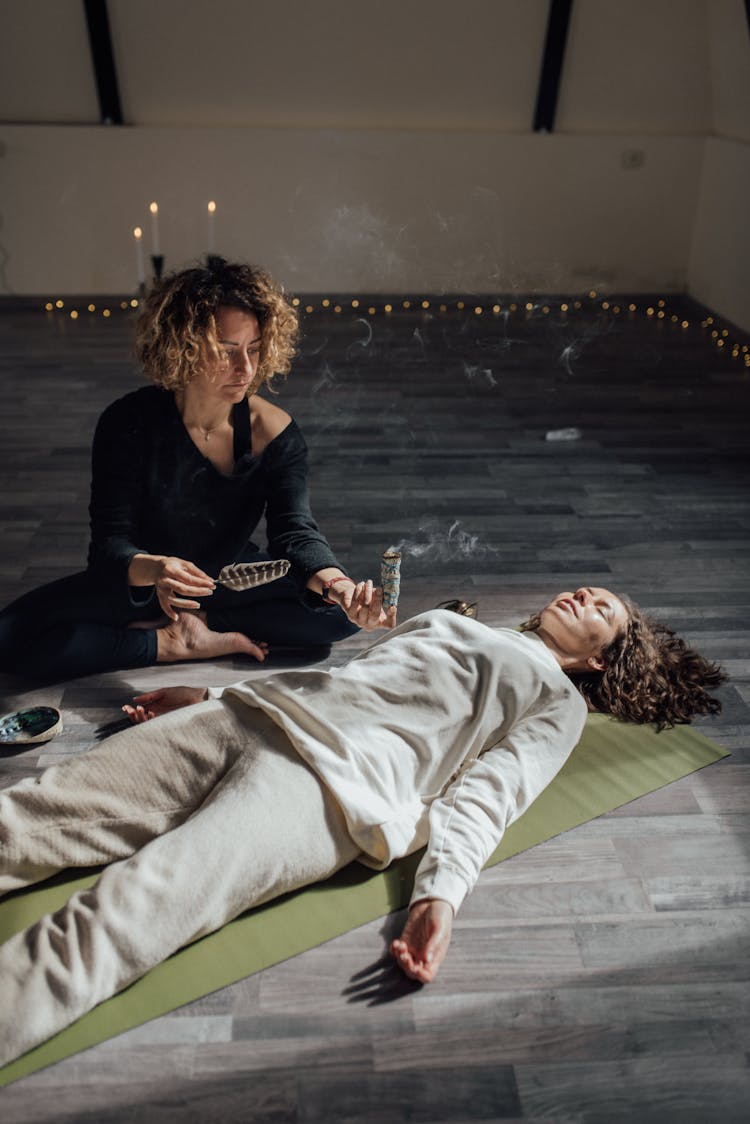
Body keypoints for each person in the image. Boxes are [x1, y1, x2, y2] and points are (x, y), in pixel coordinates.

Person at [0, 587, 725, 1066]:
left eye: (606, 609)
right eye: (591, 589)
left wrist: (438, 899)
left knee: (131, 912)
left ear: (599, 657)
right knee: (28, 813)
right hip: (247, 718)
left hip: (327, 791)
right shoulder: (452, 622)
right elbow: (341, 682)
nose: (587, 594)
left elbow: (489, 797)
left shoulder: (554, 701)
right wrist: (208, 691)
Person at [0, 259, 390, 682]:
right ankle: (170, 642)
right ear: (183, 347)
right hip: (140, 583)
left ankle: (197, 625)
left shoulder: (274, 433)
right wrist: (157, 569)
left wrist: (340, 587)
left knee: (336, 620)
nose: (246, 369)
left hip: (223, 582)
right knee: (8, 641)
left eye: (254, 348)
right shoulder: (126, 422)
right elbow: (110, 544)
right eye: (226, 351)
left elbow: (294, 532)